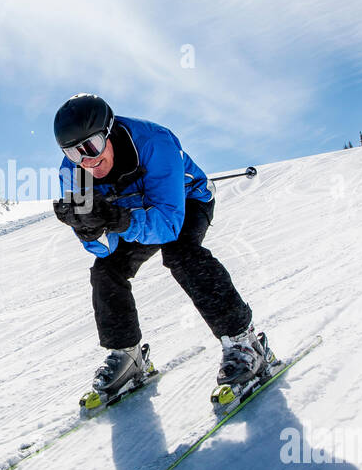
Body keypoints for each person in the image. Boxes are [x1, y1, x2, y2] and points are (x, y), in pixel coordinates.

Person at [51, 93, 269, 401]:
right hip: (130, 216)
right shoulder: (73, 174)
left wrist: (117, 219)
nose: (86, 160)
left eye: (91, 146)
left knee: (180, 253)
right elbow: (103, 249)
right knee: (106, 270)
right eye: (73, 153)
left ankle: (244, 342)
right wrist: (89, 231)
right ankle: (128, 355)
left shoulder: (155, 142)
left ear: (109, 131)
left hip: (186, 202)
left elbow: (168, 225)